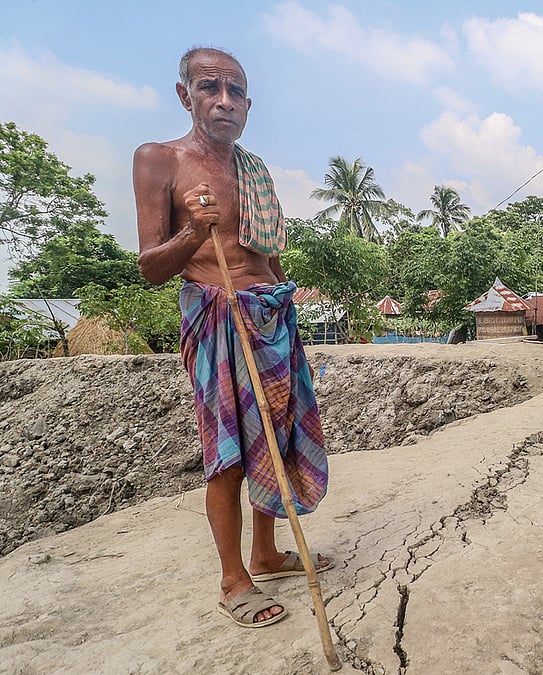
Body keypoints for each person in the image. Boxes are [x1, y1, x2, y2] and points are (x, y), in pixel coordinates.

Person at [134, 47, 331, 629]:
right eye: (209, 87)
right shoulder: (158, 160)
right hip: (214, 318)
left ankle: (266, 554)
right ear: (184, 94)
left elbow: (266, 263)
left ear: (248, 103)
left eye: (235, 91)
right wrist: (193, 230)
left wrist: (293, 335)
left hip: (268, 317)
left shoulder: (255, 171)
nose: (224, 101)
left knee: (273, 438)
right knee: (226, 452)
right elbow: (149, 268)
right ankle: (232, 578)